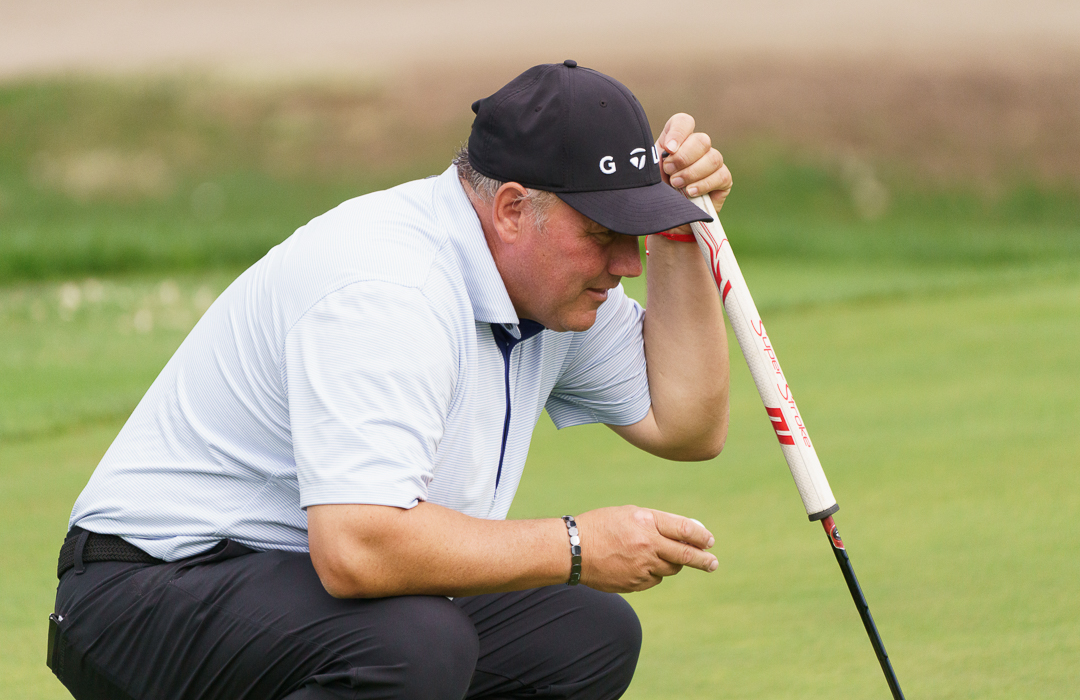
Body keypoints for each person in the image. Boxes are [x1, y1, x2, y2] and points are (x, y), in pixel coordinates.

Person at [49, 61, 733, 700]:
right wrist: (577, 545)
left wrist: (680, 235)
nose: (626, 263)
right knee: (414, 646)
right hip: (144, 591)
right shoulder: (391, 286)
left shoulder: (549, 286)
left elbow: (686, 423)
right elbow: (357, 548)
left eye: (635, 231)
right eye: (604, 232)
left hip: (287, 586)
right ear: (512, 210)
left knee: (585, 636)